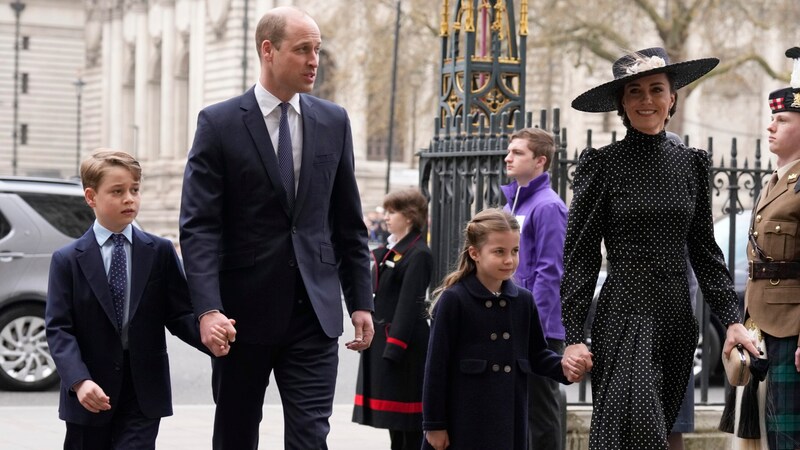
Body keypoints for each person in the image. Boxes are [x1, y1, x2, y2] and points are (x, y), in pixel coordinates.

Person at [178, 5, 374, 449]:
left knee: (310, 438)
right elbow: (199, 227)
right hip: (240, 316)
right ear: (268, 50)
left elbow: (348, 223)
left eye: (318, 50)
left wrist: (360, 301)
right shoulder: (219, 123)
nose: (314, 61)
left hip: (314, 314)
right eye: (303, 49)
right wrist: (208, 310)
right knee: (236, 435)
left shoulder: (334, 121)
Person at [561, 47, 759, 449]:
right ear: (621, 102)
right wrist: (573, 335)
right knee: (630, 432)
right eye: (634, 91)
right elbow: (580, 255)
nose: (646, 100)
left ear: (672, 98)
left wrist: (732, 320)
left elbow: (705, 252)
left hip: (676, 321)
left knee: (661, 430)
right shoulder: (602, 163)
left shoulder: (691, 164)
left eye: (656, 89)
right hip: (623, 314)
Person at [44, 149, 228, 449]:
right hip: (90, 390)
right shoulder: (67, 260)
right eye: (117, 192)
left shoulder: (159, 251)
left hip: (143, 391)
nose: (129, 198)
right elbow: (59, 329)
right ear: (91, 197)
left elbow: (179, 313)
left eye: (135, 190)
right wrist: (79, 381)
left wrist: (210, 337)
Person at [421, 208, 571, 450]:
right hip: (464, 423)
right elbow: (436, 367)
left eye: (515, 251)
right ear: (475, 253)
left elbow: (537, 354)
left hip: (509, 423)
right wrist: (435, 424)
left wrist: (565, 367)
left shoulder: (523, 300)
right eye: (499, 252)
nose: (509, 260)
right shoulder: (455, 299)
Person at [727, 46, 800, 450]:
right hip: (764, 323)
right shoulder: (777, 181)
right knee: (771, 437)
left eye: (782, 119)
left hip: (793, 326)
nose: (771, 127)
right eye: (772, 118)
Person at [500, 127, 568, 450]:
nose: (508, 157)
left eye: (517, 153)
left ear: (540, 161)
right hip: (511, 320)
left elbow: (549, 271)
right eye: (509, 151)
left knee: (541, 410)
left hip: (538, 326)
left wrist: (531, 322)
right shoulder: (512, 205)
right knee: (516, 408)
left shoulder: (548, 207)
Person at [352, 188, 433, 450]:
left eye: (392, 211)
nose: (387, 217)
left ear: (409, 216)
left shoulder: (419, 253)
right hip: (387, 345)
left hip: (403, 349)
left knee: (407, 426)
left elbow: (409, 305)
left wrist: (394, 348)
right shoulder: (397, 249)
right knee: (396, 427)